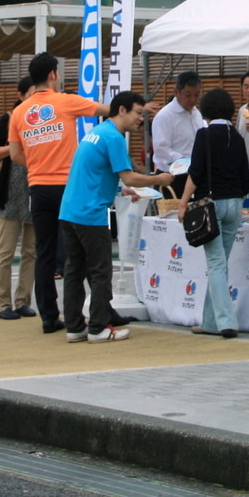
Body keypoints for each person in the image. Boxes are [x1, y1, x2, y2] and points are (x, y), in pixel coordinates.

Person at [8, 52, 110, 335]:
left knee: (43, 253)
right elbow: (104, 110)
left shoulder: (19, 112)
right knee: (79, 252)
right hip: (68, 187)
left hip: (38, 187)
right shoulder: (65, 101)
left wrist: (38, 162)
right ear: (53, 74)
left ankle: (49, 317)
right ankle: (96, 311)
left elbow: (15, 153)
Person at [60, 91, 174, 343]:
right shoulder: (113, 138)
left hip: (69, 210)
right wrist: (159, 179)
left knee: (74, 271)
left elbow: (97, 173)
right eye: (137, 113)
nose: (140, 119)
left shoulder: (96, 133)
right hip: (90, 214)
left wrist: (121, 190)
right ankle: (99, 328)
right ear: (121, 110)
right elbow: (129, 176)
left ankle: (75, 327)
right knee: (101, 272)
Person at [180, 88, 249, 338]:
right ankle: (210, 322)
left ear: (206, 110)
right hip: (235, 204)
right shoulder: (238, 136)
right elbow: (246, 179)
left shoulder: (204, 135)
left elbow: (195, 172)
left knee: (215, 264)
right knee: (220, 265)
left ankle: (225, 321)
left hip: (211, 204)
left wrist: (182, 203)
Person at [0, 78, 37, 320]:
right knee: (5, 251)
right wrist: (15, 146)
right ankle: (2, 304)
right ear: (20, 96)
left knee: (31, 251)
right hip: (10, 194)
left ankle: (23, 301)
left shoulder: (42, 121)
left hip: (34, 192)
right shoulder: (8, 119)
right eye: (31, 94)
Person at [150, 71, 204, 193]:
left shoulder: (197, 114)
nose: (193, 99)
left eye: (196, 95)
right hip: (171, 178)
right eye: (188, 95)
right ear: (176, 92)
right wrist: (187, 162)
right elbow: (162, 150)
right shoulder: (164, 116)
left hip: (194, 175)